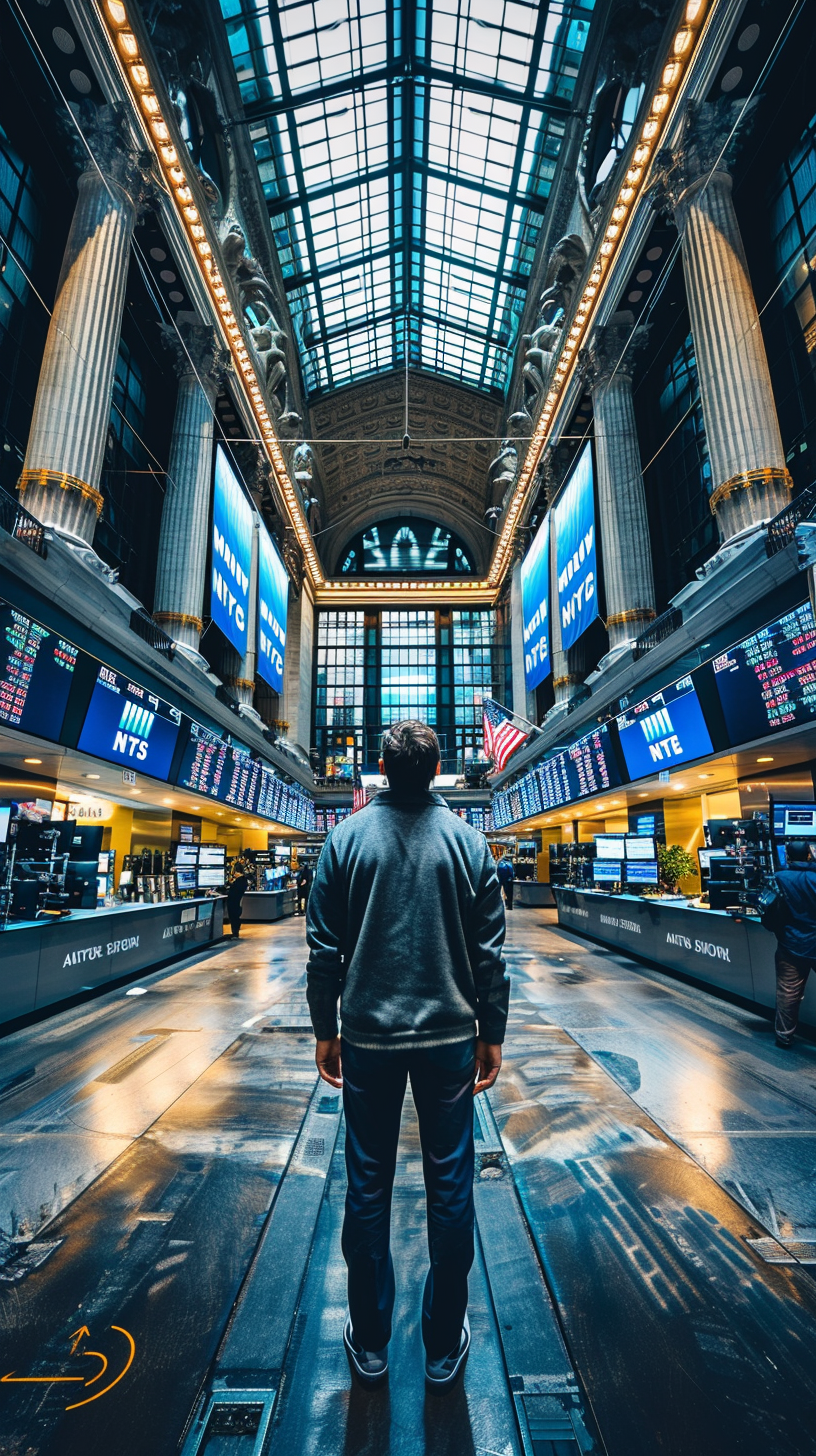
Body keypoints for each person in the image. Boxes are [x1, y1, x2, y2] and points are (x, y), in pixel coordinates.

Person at [306, 720, 508, 1393]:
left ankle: (369, 1341)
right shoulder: (470, 845)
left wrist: (324, 1028)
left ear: (382, 769)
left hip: (367, 1040)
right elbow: (490, 957)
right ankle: (443, 1343)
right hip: (450, 1041)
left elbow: (323, 951)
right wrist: (492, 1032)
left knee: (366, 1185)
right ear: (440, 767)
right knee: (451, 1186)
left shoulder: (345, 840)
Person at [773, 839, 816, 1047]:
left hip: (791, 944)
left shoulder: (780, 877)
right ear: (810, 855)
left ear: (787, 856)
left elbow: (769, 908)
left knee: (788, 993)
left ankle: (784, 1036)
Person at [226, 857, 250, 939]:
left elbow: (232, 891)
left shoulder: (238, 881)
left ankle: (235, 933)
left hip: (234, 903)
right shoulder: (244, 880)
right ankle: (235, 933)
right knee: (236, 917)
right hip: (238, 903)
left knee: (234, 917)